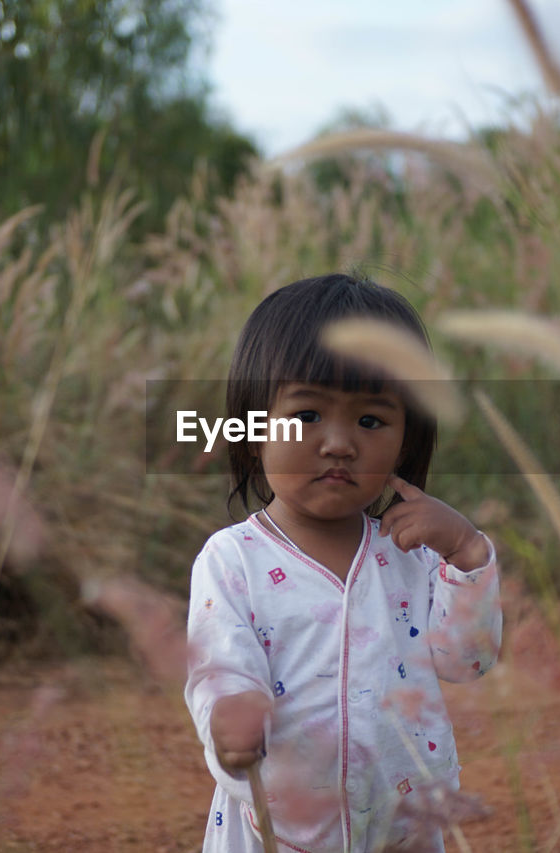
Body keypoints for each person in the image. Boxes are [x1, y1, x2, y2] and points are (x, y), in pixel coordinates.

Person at [184, 274, 502, 852]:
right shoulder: (233, 561)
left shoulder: (416, 555)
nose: (339, 443)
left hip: (402, 829)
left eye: (371, 421)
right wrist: (231, 721)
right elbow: (220, 668)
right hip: (277, 832)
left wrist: (468, 556)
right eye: (306, 415)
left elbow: (467, 662)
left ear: (406, 440)